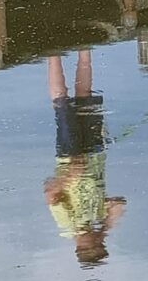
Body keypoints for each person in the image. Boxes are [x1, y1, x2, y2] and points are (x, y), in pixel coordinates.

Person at [44, 52, 126, 267]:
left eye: (96, 244)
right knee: (85, 97)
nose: (99, 240)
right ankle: (84, 51)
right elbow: (119, 203)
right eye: (102, 243)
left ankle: (53, 55)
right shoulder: (97, 218)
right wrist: (105, 228)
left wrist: (70, 174)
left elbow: (51, 194)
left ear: (83, 247)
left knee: (61, 104)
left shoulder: (68, 225)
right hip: (95, 153)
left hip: (69, 158)